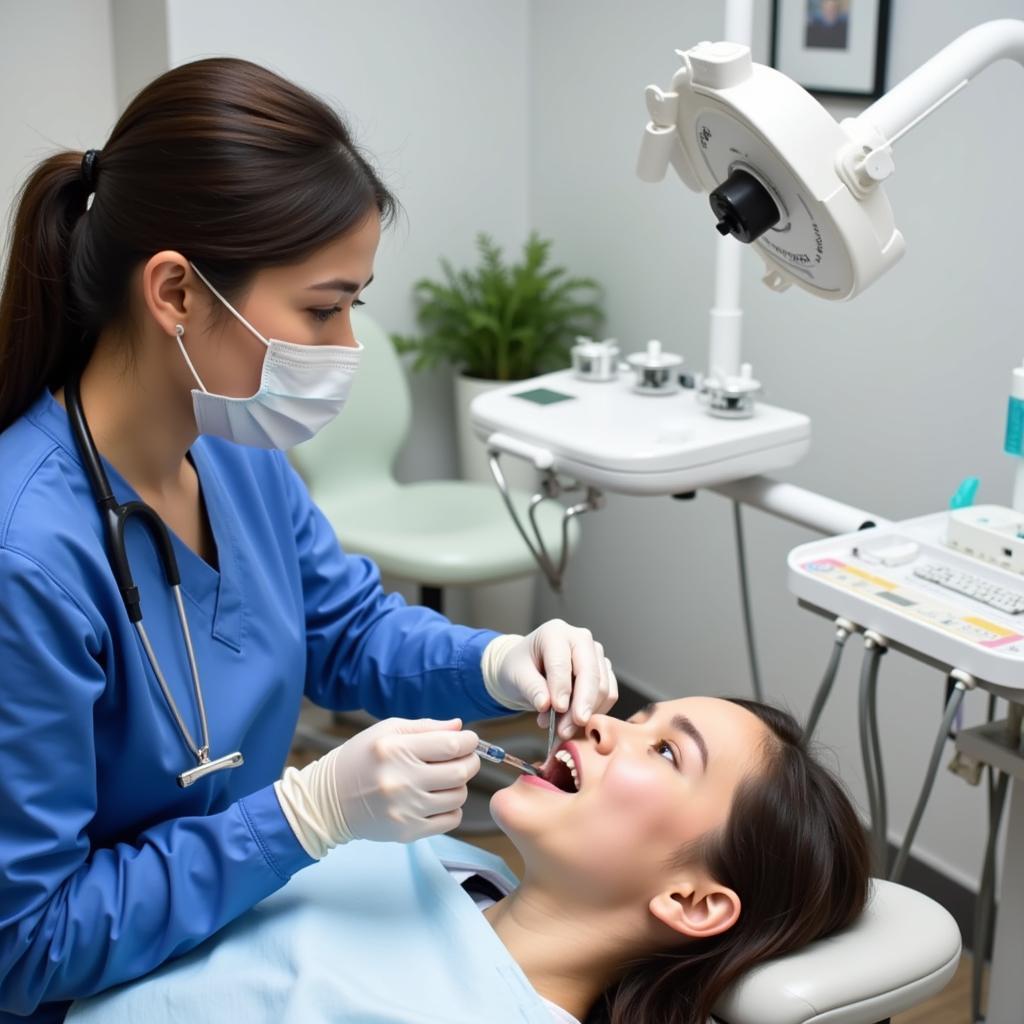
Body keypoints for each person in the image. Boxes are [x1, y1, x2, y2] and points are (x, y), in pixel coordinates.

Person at [0, 57, 618, 1023]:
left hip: (226, 940)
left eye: (353, 308)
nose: (346, 352)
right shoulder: (26, 557)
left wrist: (500, 661)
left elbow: (345, 632)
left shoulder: (230, 447)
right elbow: (25, 945)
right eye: (322, 308)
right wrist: (301, 816)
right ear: (176, 294)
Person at [64, 696, 870, 1024]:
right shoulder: (442, 862)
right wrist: (305, 812)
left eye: (664, 751)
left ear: (693, 902)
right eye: (638, 713)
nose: (602, 721)